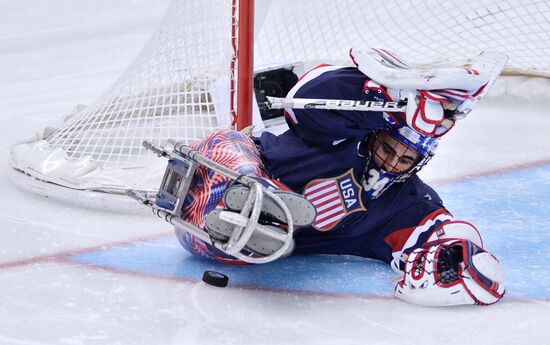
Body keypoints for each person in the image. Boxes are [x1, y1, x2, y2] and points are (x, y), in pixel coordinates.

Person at [173, 48, 506, 306]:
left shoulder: (409, 202)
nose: (391, 163)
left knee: (253, 245)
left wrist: (465, 262)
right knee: (230, 147)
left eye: (406, 159)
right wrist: (389, 99)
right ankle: (255, 190)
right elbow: (301, 102)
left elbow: (441, 233)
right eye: (387, 148)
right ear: (375, 134)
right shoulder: (340, 136)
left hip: (235, 244)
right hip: (226, 167)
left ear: (420, 163)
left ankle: (263, 215)